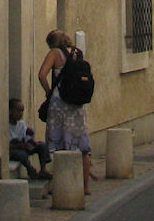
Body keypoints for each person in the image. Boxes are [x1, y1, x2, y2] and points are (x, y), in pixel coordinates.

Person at [38, 29, 94, 194]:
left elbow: (42, 75)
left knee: (58, 145)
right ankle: (85, 187)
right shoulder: (77, 53)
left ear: (51, 43)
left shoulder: (55, 53)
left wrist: (48, 91)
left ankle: (62, 185)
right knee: (83, 148)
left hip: (60, 104)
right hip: (77, 105)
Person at [8, 98, 51, 180]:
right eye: (18, 111)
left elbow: (26, 135)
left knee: (42, 145)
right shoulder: (6, 126)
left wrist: (30, 140)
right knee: (22, 154)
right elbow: (7, 147)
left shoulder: (20, 123)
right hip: (13, 150)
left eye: (22, 111)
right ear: (10, 111)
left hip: (22, 146)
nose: (21, 114)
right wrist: (19, 146)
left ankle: (43, 170)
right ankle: (30, 169)